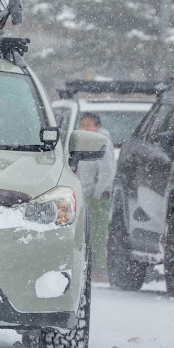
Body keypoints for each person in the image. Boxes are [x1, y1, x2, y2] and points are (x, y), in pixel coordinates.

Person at [77, 112, 116, 281]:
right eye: (83, 125)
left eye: (89, 125)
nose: (85, 128)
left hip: (97, 198)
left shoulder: (102, 143)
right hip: (86, 195)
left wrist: (97, 193)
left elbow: (107, 171)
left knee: (97, 235)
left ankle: (100, 271)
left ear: (97, 126)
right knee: (89, 235)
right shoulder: (86, 142)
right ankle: (92, 270)